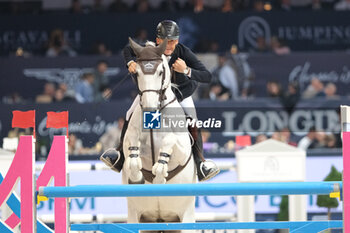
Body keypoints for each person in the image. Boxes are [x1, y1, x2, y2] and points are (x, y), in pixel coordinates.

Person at [101, 20, 220, 181]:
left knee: (192, 119)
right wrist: (130, 62)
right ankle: (120, 155)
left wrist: (186, 70)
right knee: (130, 114)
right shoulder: (149, 49)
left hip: (179, 96)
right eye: (166, 41)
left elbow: (207, 76)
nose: (170, 45)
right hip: (153, 95)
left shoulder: (183, 52)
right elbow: (128, 48)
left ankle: (200, 163)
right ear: (158, 40)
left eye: (173, 41)